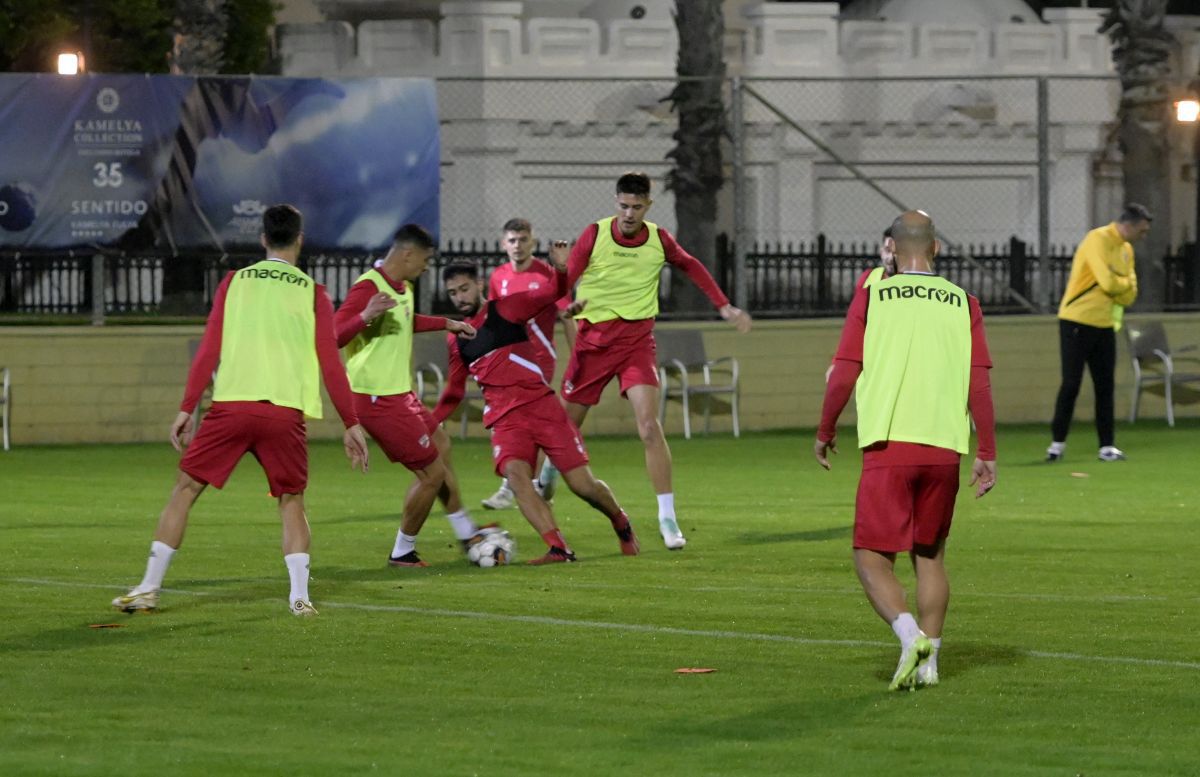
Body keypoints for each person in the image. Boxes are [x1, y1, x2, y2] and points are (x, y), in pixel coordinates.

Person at [112, 204, 370, 617]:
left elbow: (209, 347)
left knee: (184, 491)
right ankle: (299, 598)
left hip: (231, 408)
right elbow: (329, 361)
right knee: (291, 501)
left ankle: (147, 588)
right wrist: (351, 423)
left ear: (263, 239)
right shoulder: (313, 292)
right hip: (284, 415)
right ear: (299, 240)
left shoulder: (235, 282)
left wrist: (187, 406)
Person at [814, 210, 997, 691]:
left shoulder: (872, 293)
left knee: (870, 557)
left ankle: (908, 634)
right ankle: (931, 663)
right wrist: (989, 449)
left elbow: (846, 370)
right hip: (944, 449)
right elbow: (979, 381)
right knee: (930, 556)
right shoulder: (964, 301)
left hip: (889, 444)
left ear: (891, 248)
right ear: (936, 249)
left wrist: (825, 428)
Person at [561, 171, 752, 550]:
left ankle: (667, 518)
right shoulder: (595, 235)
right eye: (623, 205)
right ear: (615, 202)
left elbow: (692, 266)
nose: (629, 213)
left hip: (636, 344)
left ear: (648, 206)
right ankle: (551, 473)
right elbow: (563, 281)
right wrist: (565, 306)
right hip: (593, 344)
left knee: (649, 427)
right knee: (564, 431)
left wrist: (724, 305)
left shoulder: (659, 239)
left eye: (637, 206)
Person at [433, 259, 639, 564]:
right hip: (505, 420)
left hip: (542, 408)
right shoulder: (456, 338)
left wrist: (559, 268)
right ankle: (559, 548)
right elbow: (454, 390)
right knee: (517, 479)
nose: (459, 297)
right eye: (452, 293)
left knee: (582, 485)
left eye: (464, 288)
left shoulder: (506, 309)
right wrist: (431, 421)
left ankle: (621, 522)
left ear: (479, 285)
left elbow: (553, 291)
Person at [334, 224, 480, 567]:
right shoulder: (368, 288)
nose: (428, 267)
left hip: (400, 393)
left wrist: (446, 322)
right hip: (376, 397)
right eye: (426, 260)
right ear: (408, 254)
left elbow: (403, 319)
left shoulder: (403, 286)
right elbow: (334, 335)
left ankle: (465, 531)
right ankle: (403, 551)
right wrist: (364, 315)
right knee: (432, 474)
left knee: (442, 445)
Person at [480, 217, 578, 510]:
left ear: (532, 242)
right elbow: (495, 320)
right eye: (512, 240)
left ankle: (520, 484)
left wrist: (577, 359)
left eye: (523, 240)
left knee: (523, 420)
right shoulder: (498, 277)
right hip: (508, 360)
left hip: (539, 360)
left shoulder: (548, 274)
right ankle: (534, 480)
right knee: (514, 420)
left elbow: (566, 315)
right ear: (503, 244)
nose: (518, 246)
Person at [1046, 203, 1148, 463]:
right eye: (1142, 230)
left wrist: (1119, 282)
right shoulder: (1097, 239)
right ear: (1130, 225)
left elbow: (1130, 292)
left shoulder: (1126, 249)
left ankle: (1107, 447)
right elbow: (1108, 282)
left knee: (1105, 386)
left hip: (1105, 323)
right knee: (1071, 383)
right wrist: (1119, 282)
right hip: (1076, 320)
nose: (1143, 236)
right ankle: (1056, 445)